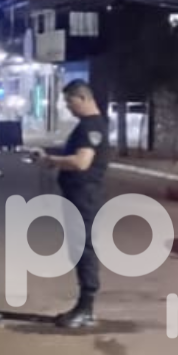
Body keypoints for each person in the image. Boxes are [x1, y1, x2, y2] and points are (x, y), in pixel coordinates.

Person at [38, 79, 110, 329]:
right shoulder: (89, 126)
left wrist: (51, 160)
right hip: (79, 195)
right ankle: (83, 306)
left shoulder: (91, 126)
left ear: (83, 98)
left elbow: (81, 162)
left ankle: (86, 308)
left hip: (84, 196)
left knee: (83, 248)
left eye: (70, 102)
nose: (68, 108)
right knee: (78, 248)